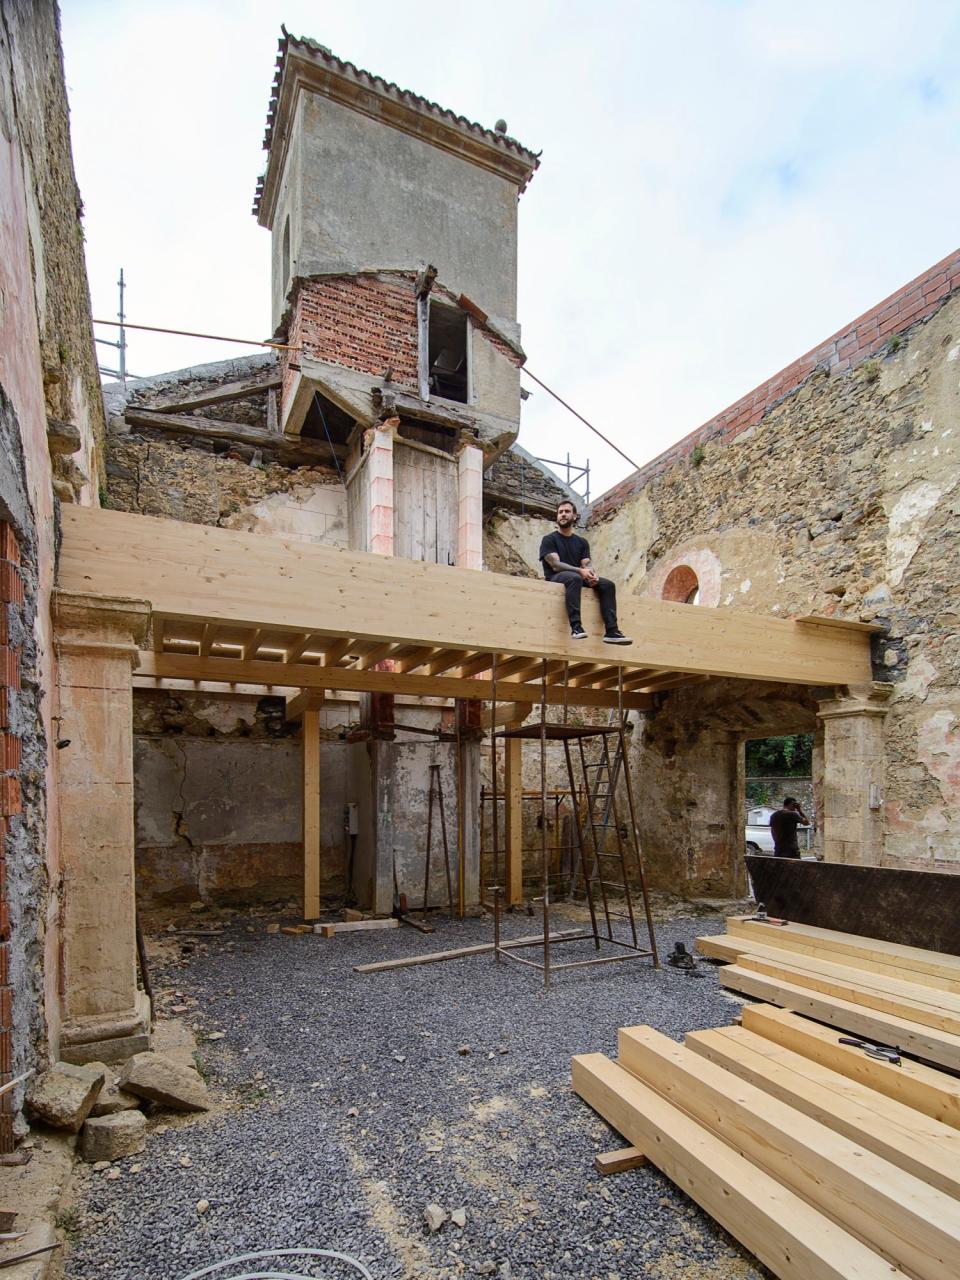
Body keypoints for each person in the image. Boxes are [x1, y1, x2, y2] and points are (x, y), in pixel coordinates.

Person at [538, 500, 632, 643]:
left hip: (577, 576)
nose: (563, 515)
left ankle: (612, 631)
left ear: (574, 516)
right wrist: (580, 572)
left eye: (567, 512)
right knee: (574, 578)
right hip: (556, 577)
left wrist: (591, 574)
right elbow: (555, 565)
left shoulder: (582, 542)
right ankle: (576, 627)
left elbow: (586, 563)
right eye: (560, 512)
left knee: (607, 585)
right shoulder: (549, 539)